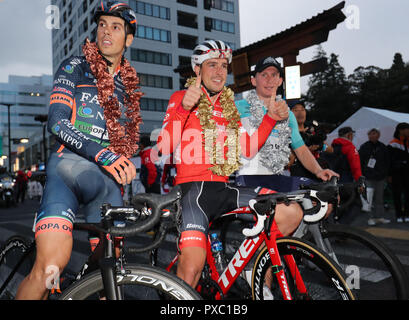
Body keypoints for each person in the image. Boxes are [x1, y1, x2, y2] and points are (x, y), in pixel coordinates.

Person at [16, 1, 142, 300]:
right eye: (102, 25)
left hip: (105, 183)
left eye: (116, 26)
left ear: (129, 38)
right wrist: (103, 154)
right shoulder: (75, 66)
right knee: (51, 268)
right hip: (66, 172)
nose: (106, 32)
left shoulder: (129, 85)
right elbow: (57, 124)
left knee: (110, 271)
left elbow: (123, 140)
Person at [153, 40, 303, 287]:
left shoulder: (229, 106)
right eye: (212, 65)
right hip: (192, 192)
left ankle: (252, 267)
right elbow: (163, 148)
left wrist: (270, 119)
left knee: (290, 212)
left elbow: (246, 149)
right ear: (197, 70)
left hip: (224, 188)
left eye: (224, 65)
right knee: (191, 271)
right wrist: (183, 109)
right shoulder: (181, 97)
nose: (220, 71)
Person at [235, 56, 337, 192]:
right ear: (253, 80)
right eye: (264, 74)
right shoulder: (237, 108)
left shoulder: (287, 114)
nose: (269, 79)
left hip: (278, 177)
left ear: (280, 81)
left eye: (274, 75)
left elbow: (300, 149)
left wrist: (319, 171)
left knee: (323, 197)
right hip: (248, 178)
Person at [359, 128, 391, 225]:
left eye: (374, 134)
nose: (372, 136)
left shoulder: (383, 147)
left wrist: (386, 174)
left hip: (380, 177)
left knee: (379, 199)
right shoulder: (364, 147)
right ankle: (370, 218)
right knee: (369, 199)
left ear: (378, 135)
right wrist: (362, 174)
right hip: (368, 177)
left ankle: (379, 217)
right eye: (371, 134)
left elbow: (387, 161)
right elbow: (360, 162)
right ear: (368, 136)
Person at [388, 122, 409, 223]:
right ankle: (399, 214)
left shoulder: (408, 142)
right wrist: (390, 175)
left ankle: (407, 213)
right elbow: (390, 161)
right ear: (400, 130)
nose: (408, 131)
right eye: (407, 129)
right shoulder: (393, 143)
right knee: (397, 195)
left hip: (407, 173)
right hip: (396, 173)